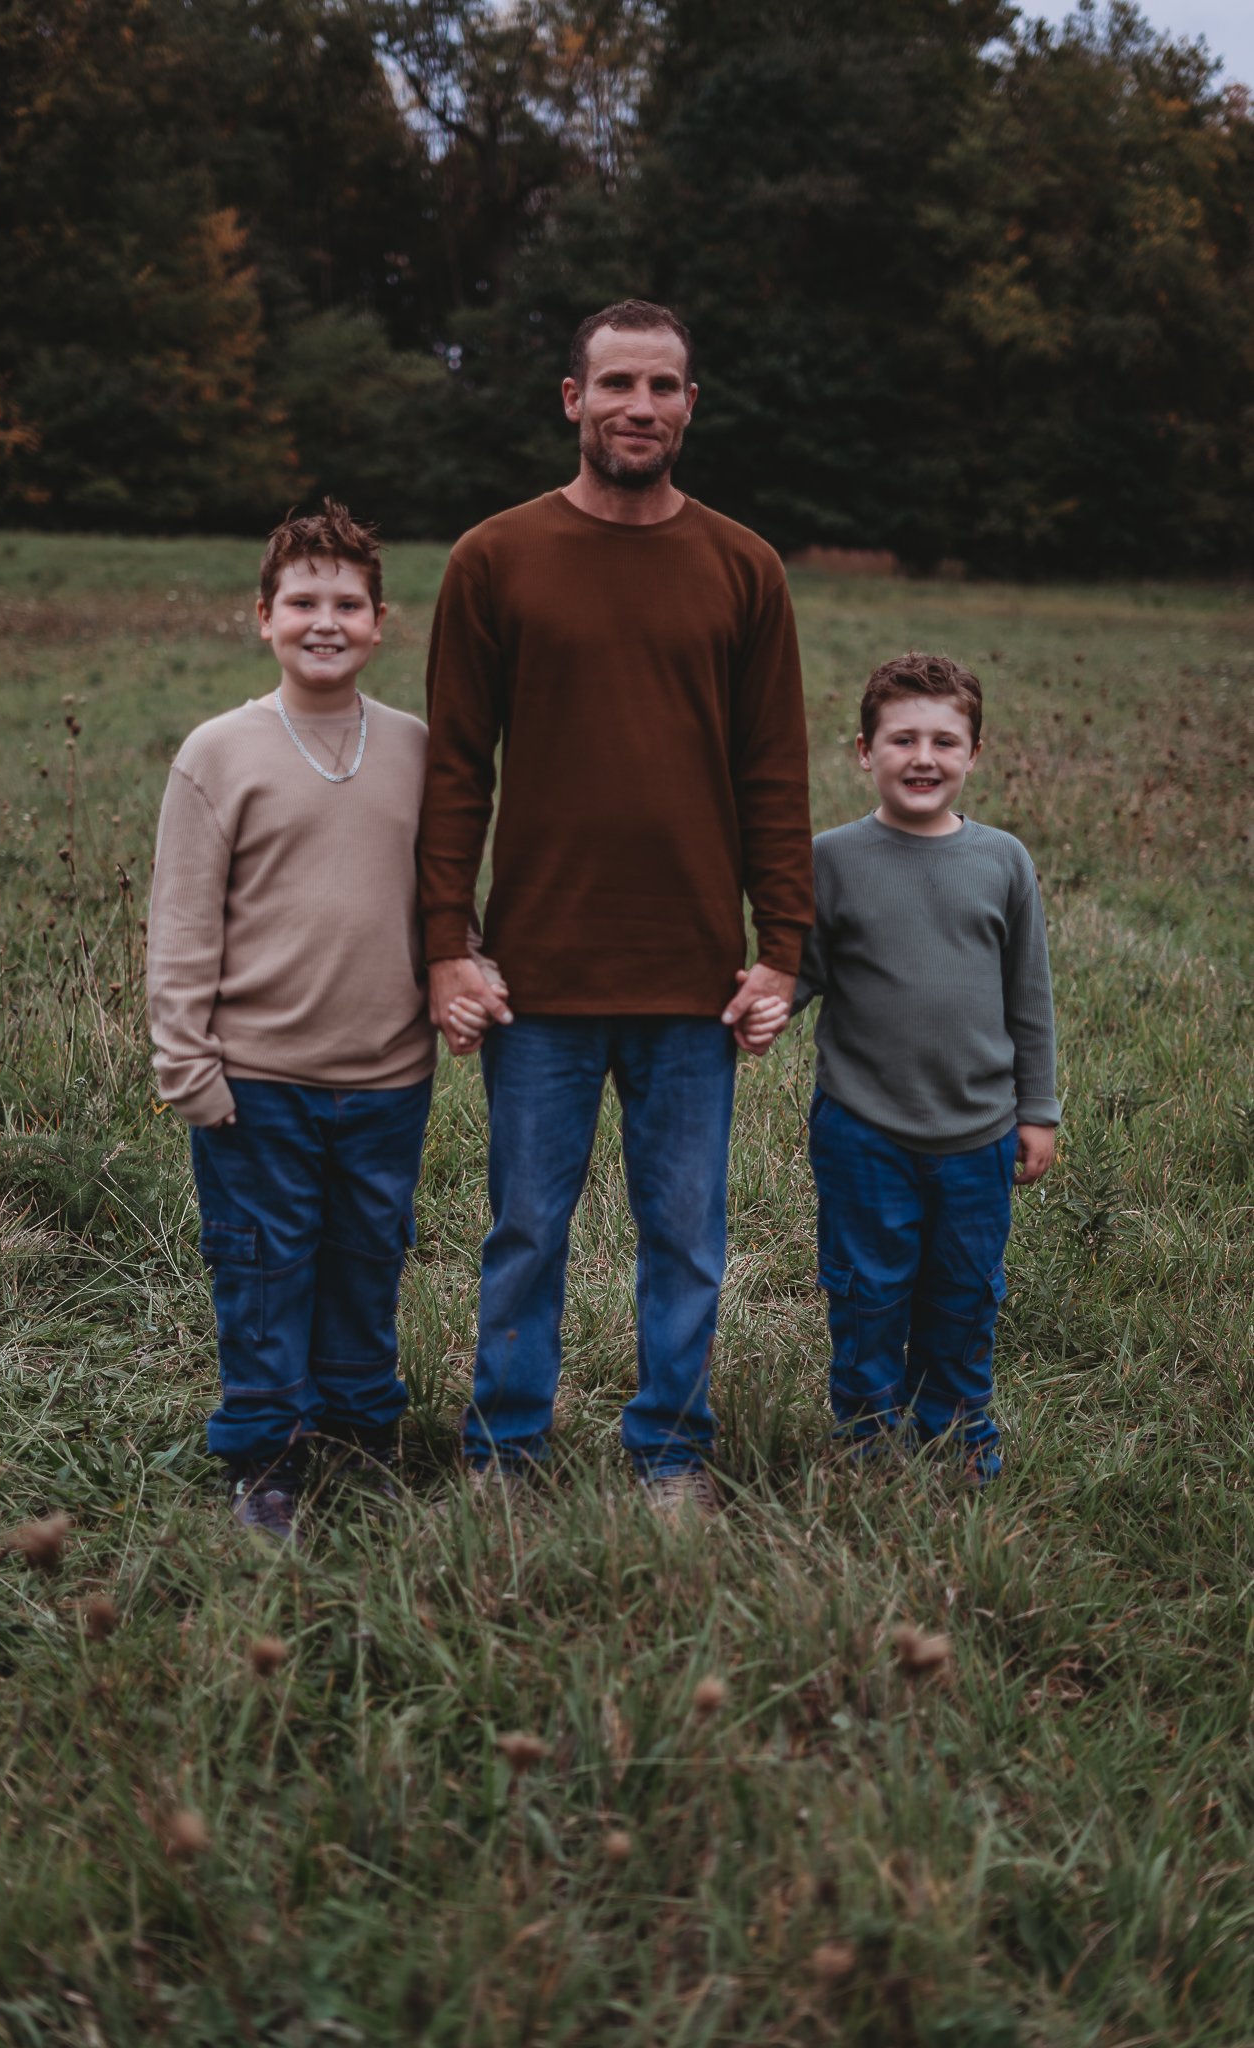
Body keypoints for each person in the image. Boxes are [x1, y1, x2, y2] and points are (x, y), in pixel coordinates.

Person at [419, 298, 812, 1511]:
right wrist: (446, 944)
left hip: (693, 977)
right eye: (618, 383)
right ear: (572, 399)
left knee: (685, 1237)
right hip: (536, 975)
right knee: (526, 1230)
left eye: (664, 385)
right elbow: (455, 768)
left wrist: (782, 949)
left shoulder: (744, 567)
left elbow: (774, 773)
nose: (640, 406)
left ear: (691, 404)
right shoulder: (494, 558)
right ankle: (504, 1453)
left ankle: (671, 1454)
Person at [146, 501, 500, 1542]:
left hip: (387, 1078)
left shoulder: (416, 749)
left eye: (347, 604)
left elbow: (447, 898)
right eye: (303, 602)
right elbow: (182, 921)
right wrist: (187, 1062)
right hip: (257, 1078)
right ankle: (266, 1456)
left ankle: (358, 1436)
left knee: (365, 1260)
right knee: (263, 1269)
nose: (325, 621)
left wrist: (471, 966)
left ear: (380, 623)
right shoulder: (219, 753)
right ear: (264, 616)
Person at [793, 651, 1059, 1480]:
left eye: (944, 741)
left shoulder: (1001, 861)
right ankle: (867, 1439)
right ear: (863, 751)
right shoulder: (830, 859)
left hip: (978, 1134)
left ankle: (957, 1432)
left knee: (963, 1292)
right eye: (901, 739)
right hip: (861, 1128)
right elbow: (796, 972)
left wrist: (1037, 1110)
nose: (922, 758)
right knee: (866, 1291)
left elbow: (1029, 998)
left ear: (973, 753)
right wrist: (744, 1008)